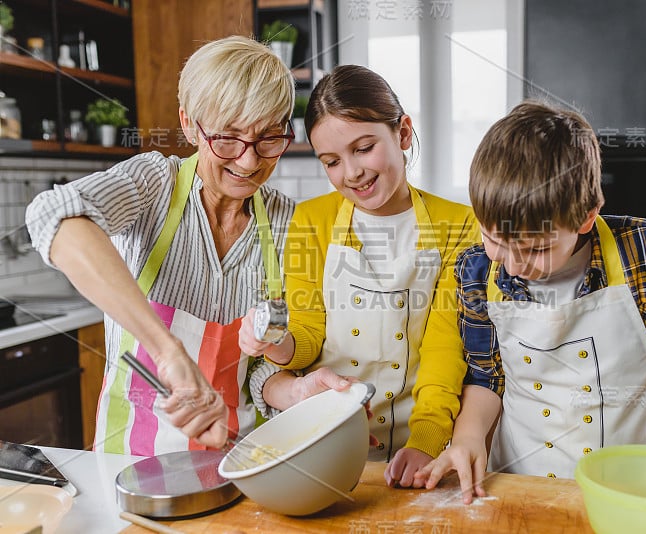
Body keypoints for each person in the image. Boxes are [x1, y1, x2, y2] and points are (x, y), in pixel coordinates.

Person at [414, 100, 646, 524]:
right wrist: (468, 437)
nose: (512, 264)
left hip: (637, 492)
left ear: (584, 217)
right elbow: (487, 376)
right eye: (494, 240)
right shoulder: (475, 269)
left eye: (535, 249)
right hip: (524, 484)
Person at [25, 35, 302, 456]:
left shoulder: (287, 222)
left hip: (241, 459)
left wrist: (297, 388)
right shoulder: (155, 184)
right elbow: (54, 215)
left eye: (268, 138)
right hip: (130, 461)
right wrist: (167, 350)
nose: (249, 162)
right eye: (227, 138)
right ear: (189, 124)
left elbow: (264, 369)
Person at [239, 65, 480, 487]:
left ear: (403, 134)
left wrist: (426, 439)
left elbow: (446, 346)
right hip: (328, 436)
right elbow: (308, 334)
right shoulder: (311, 220)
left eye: (364, 148)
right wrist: (274, 344)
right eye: (331, 161)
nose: (351, 173)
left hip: (422, 444)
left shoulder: (459, 224)